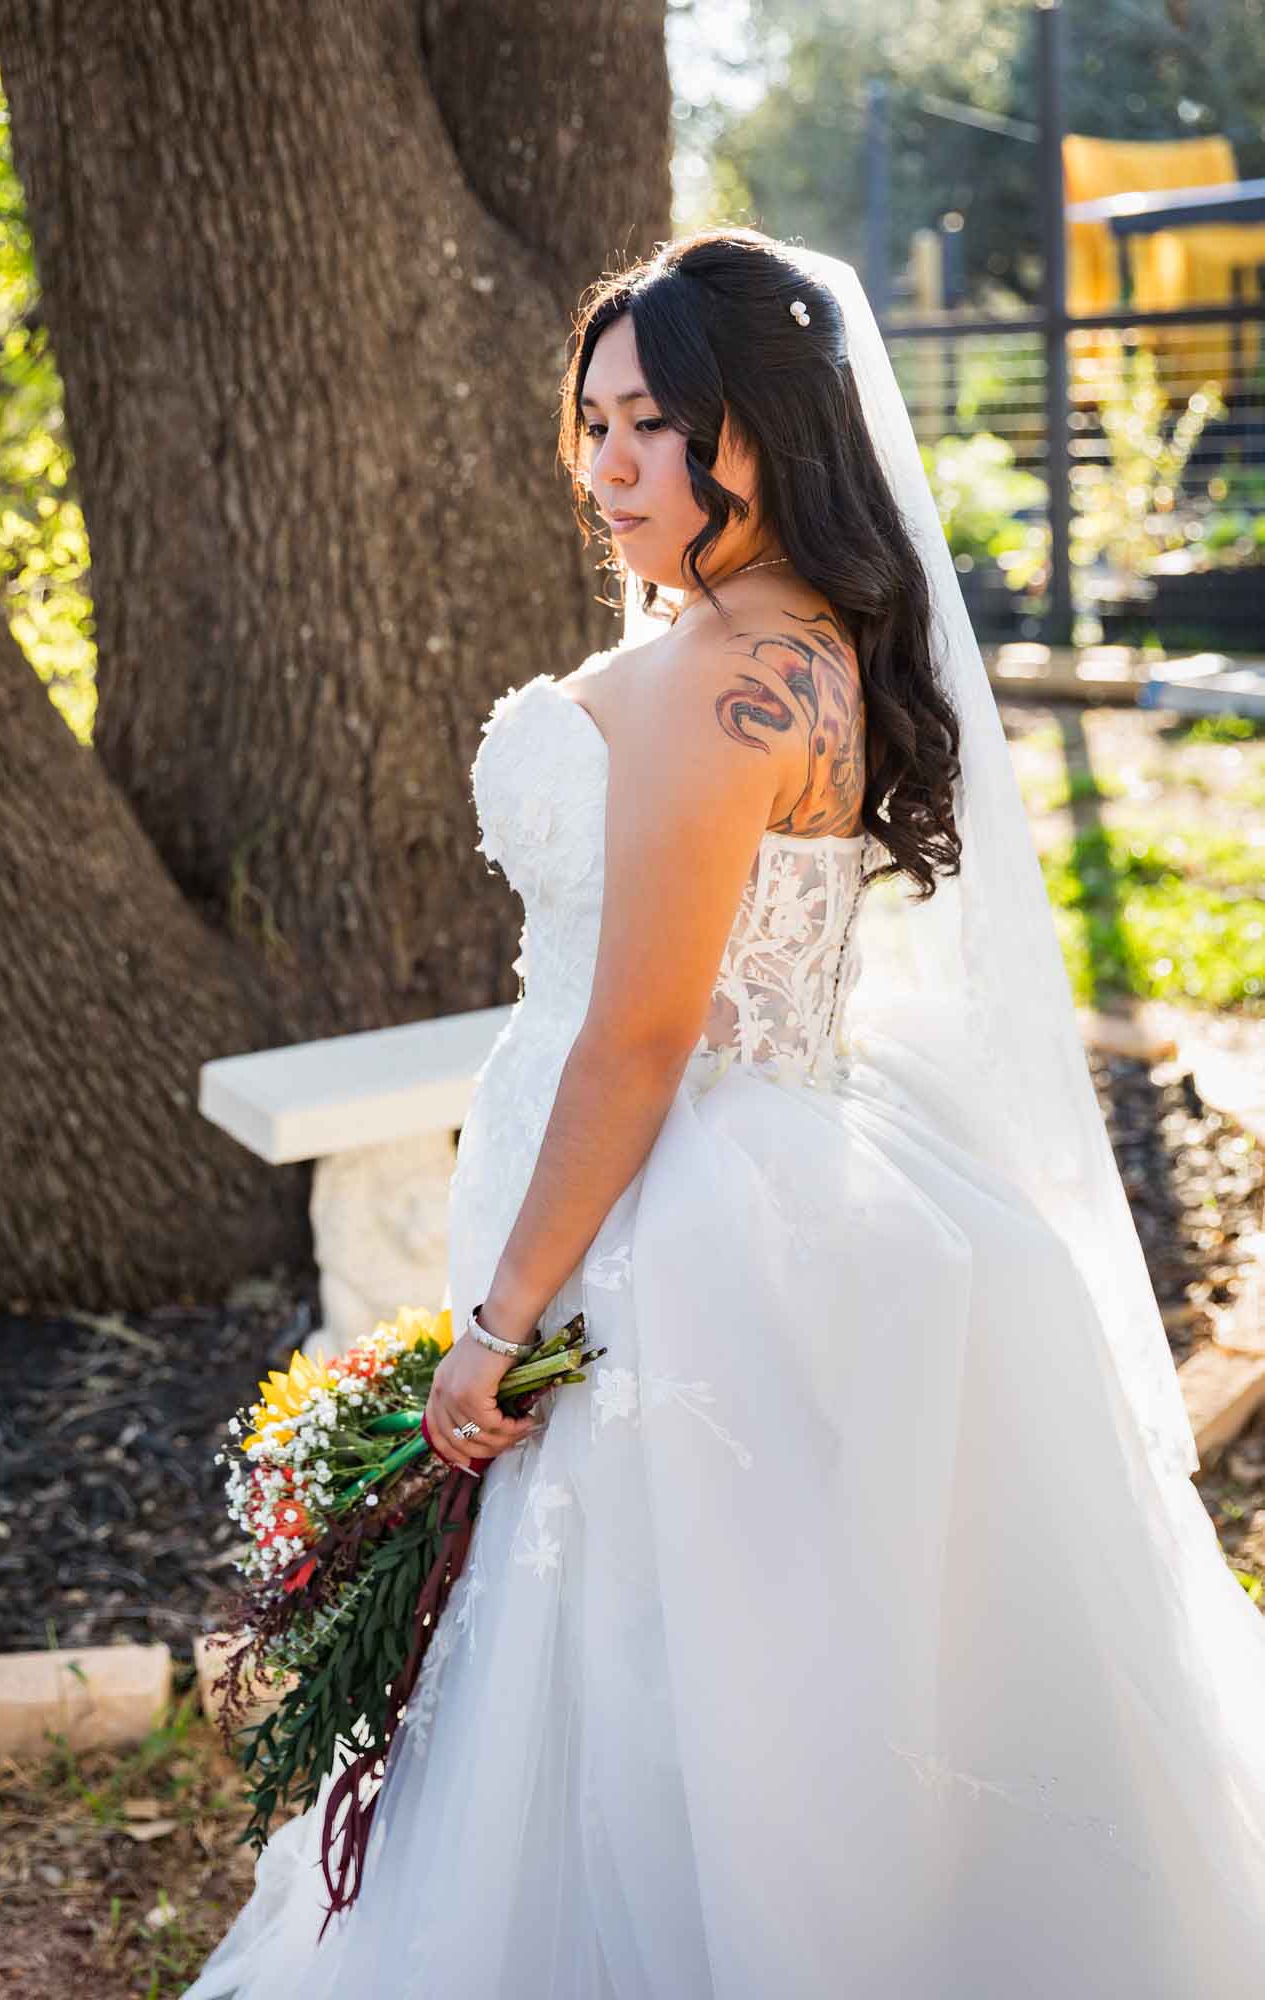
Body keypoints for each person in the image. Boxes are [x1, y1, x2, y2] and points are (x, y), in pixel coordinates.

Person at [183, 228, 1265, 2000]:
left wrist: (496, 1324)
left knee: (665, 1669)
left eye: (649, 428)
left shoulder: (711, 686)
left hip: (667, 1214)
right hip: (790, 1165)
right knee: (793, 1668)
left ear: (753, 433)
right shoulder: (805, 642)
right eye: (593, 423)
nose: (606, 466)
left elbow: (636, 1040)